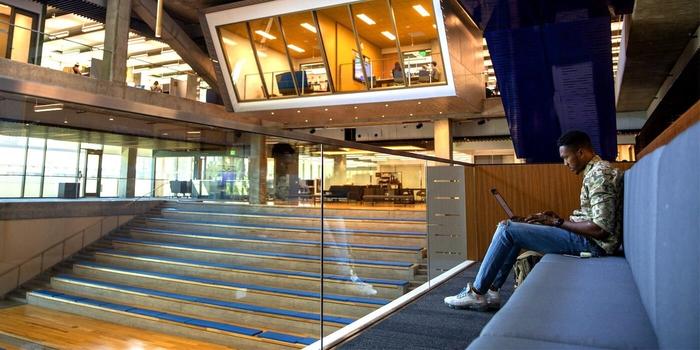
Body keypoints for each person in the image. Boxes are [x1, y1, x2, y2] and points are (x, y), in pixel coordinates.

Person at [444, 130, 623, 311]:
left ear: (581, 152)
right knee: (514, 228)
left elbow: (600, 229)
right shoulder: (596, 171)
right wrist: (553, 219)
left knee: (507, 230)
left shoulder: (600, 175)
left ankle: (476, 293)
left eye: (566, 157)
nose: (565, 163)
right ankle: (491, 291)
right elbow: (593, 219)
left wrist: (558, 223)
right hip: (585, 238)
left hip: (593, 245)